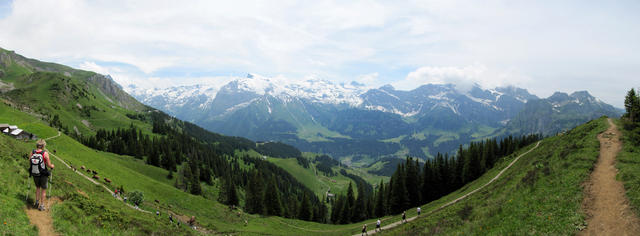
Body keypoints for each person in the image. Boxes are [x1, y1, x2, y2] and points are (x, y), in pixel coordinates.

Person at [29, 139, 54, 211]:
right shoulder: (45, 153)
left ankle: (36, 203)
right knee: (43, 190)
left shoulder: (32, 152)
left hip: (35, 173)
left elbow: (30, 162)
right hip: (43, 174)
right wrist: (52, 166)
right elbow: (49, 165)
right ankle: (42, 205)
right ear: (43, 146)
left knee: (37, 188)